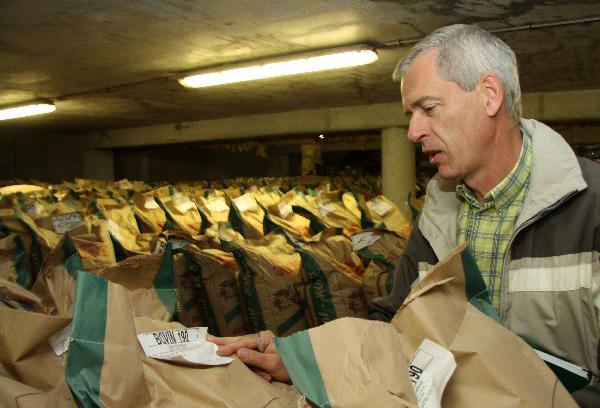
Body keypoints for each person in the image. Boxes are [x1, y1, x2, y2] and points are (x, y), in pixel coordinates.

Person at [212, 24, 600, 405]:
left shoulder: (590, 205)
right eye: (411, 114)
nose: (413, 132)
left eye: (428, 108)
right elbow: (398, 330)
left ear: (489, 95)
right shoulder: (438, 215)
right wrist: (303, 358)